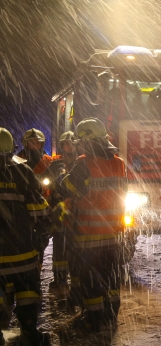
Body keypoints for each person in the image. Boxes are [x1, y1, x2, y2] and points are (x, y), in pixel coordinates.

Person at [59, 118, 127, 332]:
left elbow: (68, 188)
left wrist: (63, 176)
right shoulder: (119, 162)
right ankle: (110, 314)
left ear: (88, 141)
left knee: (91, 280)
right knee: (111, 277)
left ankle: (95, 319)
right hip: (114, 235)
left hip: (89, 235)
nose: (80, 145)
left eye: (82, 142)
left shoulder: (84, 163)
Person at [0, 127, 51, 345]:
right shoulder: (22, 171)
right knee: (27, 294)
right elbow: (39, 211)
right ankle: (29, 332)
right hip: (22, 250)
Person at [46, 131, 79, 296]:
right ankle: (59, 279)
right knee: (59, 246)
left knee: (74, 247)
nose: (68, 146)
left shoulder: (81, 163)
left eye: (70, 143)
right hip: (59, 210)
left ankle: (76, 280)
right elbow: (48, 184)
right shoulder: (56, 164)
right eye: (65, 144)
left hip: (76, 211)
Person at [17, 128, 53, 270]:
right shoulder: (18, 160)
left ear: (42, 144)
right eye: (31, 142)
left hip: (43, 207)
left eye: (36, 142)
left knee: (42, 239)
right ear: (25, 144)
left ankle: (37, 265)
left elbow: (54, 182)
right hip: (23, 207)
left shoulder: (48, 161)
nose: (34, 145)